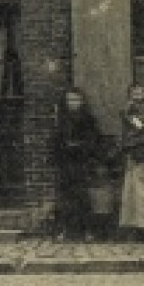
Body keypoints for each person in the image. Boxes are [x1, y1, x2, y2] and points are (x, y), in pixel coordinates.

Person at [52, 88, 103, 242]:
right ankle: (63, 230)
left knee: (83, 197)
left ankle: (87, 231)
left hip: (82, 162)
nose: (73, 103)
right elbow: (56, 142)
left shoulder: (88, 120)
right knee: (65, 197)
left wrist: (81, 148)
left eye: (76, 100)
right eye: (70, 100)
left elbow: (94, 141)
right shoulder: (61, 120)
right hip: (66, 162)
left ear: (82, 102)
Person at [116, 83, 144, 238]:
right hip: (133, 153)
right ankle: (133, 225)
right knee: (132, 190)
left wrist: (142, 132)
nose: (137, 96)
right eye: (134, 93)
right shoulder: (127, 111)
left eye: (140, 92)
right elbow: (130, 131)